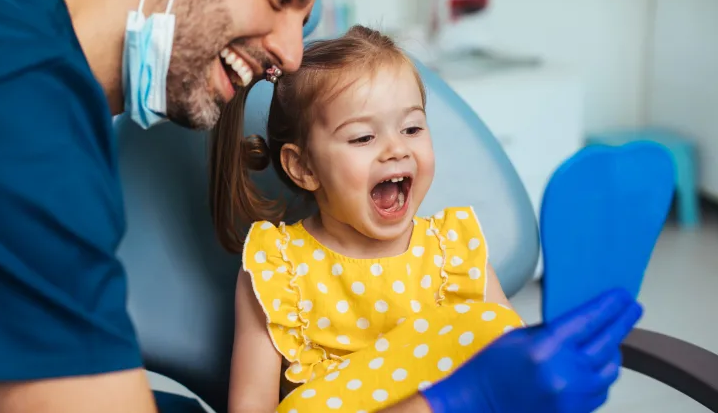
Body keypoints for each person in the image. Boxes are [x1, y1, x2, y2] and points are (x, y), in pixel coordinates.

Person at [0, 0, 640, 413]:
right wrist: (460, 401)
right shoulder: (9, 100)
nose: (290, 55)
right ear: (299, 166)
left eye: (305, 14)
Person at [210, 26, 643, 413]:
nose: (397, 149)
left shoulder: (452, 250)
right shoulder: (277, 266)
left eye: (413, 129)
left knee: (493, 331)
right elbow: (250, 405)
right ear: (303, 167)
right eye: (363, 136)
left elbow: (514, 366)